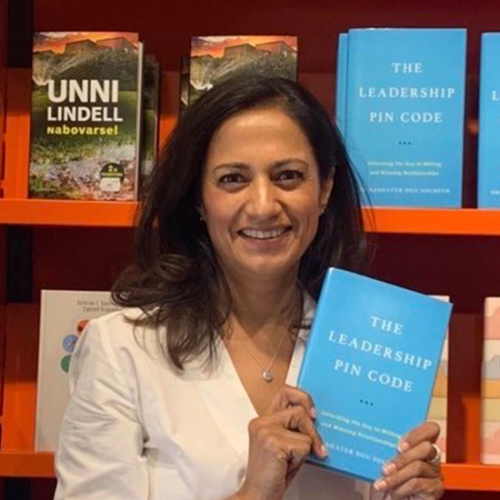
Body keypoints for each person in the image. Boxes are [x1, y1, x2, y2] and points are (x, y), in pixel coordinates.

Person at [53, 75, 444, 500]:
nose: (262, 205)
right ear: (198, 199)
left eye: (288, 176)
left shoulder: (368, 352)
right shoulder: (123, 349)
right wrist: (253, 493)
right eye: (232, 179)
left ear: (325, 190)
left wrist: (409, 490)